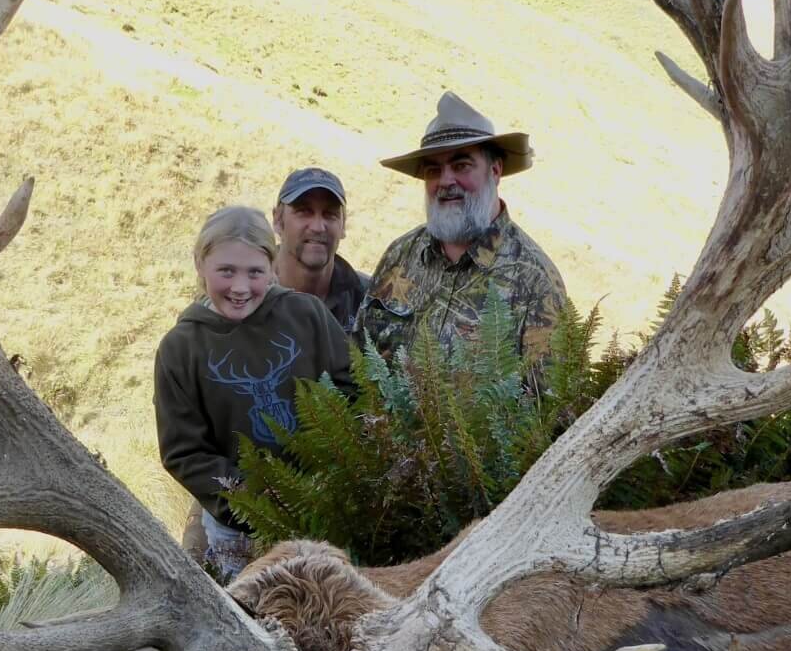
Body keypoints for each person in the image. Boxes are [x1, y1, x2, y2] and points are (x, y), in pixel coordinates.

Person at [155, 205, 355, 580]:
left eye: (255, 272)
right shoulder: (180, 348)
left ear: (274, 265)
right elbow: (184, 452)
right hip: (238, 532)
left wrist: (333, 474)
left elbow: (352, 389)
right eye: (226, 271)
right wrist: (252, 499)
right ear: (200, 264)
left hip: (325, 512)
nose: (241, 287)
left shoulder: (307, 315)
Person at [359, 91, 569, 364]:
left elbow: (549, 403)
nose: (446, 181)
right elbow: (359, 365)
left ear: (494, 171)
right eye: (433, 170)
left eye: (461, 165)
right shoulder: (399, 256)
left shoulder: (535, 282)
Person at [272, 166, 371, 334]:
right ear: (278, 221)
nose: (318, 227)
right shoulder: (244, 295)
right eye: (304, 211)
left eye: (329, 213)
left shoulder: (367, 299)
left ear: (343, 225)